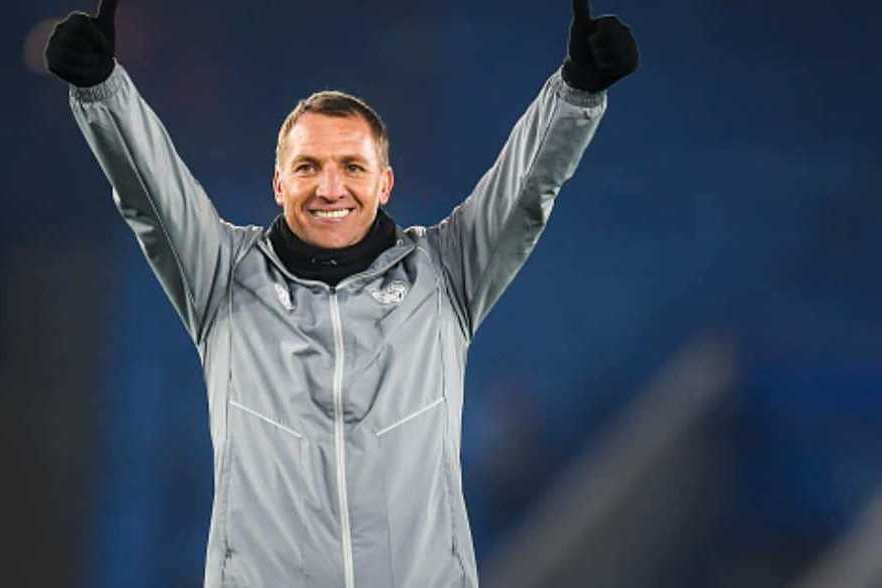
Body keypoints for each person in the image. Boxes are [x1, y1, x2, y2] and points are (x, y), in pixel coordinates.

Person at [44, 1, 638, 585]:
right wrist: (103, 90)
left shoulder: (444, 275)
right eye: (308, 167)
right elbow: (149, 193)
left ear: (385, 182)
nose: (331, 187)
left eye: (352, 167)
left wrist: (576, 94)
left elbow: (529, 188)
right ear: (279, 183)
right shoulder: (223, 278)